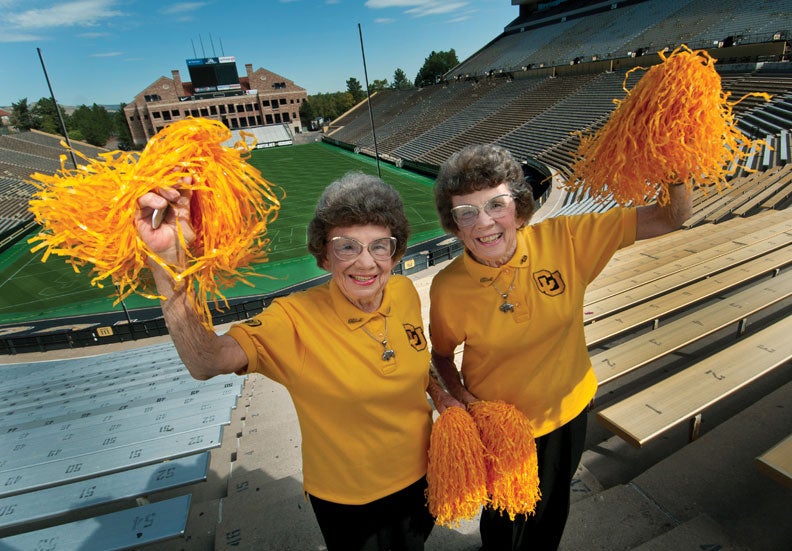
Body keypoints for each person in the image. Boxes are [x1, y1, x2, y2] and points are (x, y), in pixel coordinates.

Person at [136, 171, 458, 551]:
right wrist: (168, 265)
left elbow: (417, 362)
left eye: (379, 246)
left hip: (423, 476)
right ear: (324, 255)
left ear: (395, 251)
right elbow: (207, 361)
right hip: (352, 503)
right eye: (347, 247)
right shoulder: (291, 319)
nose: (366, 263)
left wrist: (443, 397)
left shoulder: (404, 292)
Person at [428, 144, 692, 551]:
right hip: (500, 429)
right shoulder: (448, 287)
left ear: (518, 208)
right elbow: (442, 356)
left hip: (568, 412)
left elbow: (673, 216)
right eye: (467, 212)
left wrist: (676, 173)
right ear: (455, 225)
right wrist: (464, 401)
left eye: (496, 205)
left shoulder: (567, 238)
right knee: (501, 523)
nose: (484, 223)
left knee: (551, 514)